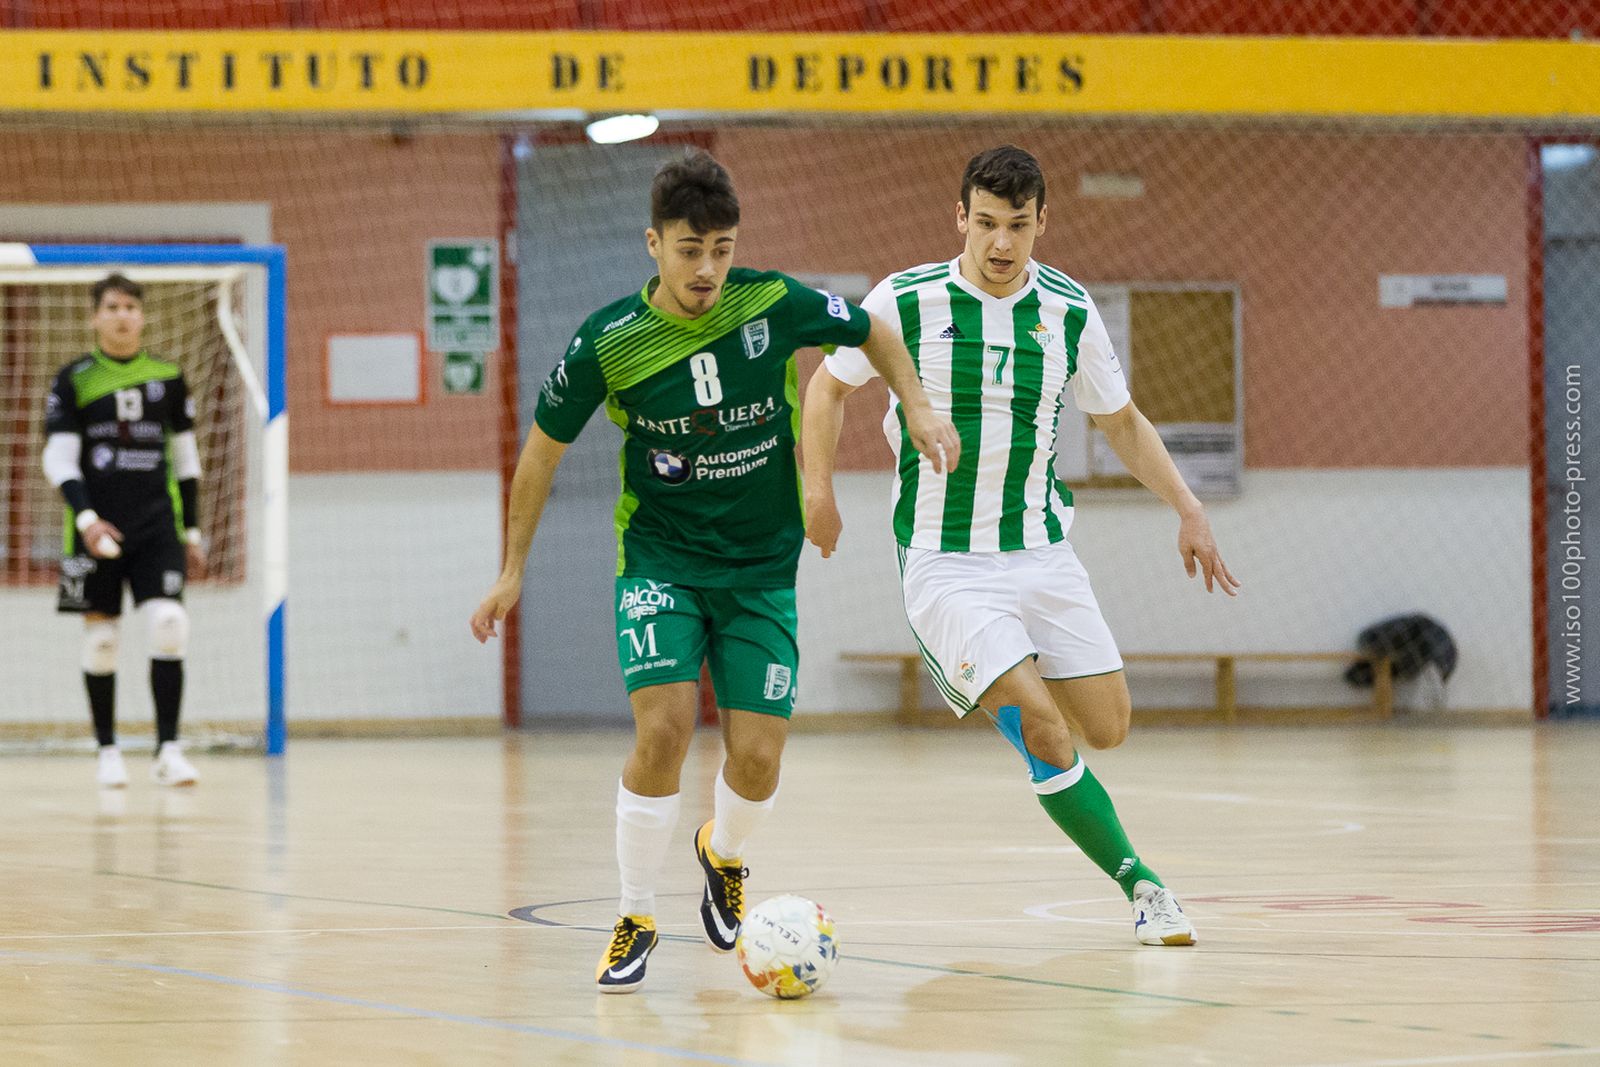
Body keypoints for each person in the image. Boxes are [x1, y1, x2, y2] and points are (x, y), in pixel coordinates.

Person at [471, 149, 959, 992]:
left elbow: (874, 328)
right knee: (662, 729)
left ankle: (721, 852)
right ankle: (633, 913)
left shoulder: (771, 301)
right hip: (660, 559)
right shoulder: (607, 342)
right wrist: (512, 569)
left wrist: (913, 402)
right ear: (651, 244)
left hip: (762, 564)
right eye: (690, 249)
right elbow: (539, 457)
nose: (707, 269)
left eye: (721, 249)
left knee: (759, 759)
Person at [803, 145, 1240, 946]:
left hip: (1043, 552)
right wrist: (818, 491)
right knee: (1049, 729)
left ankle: (1005, 693)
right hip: (946, 563)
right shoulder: (903, 301)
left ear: (1043, 222)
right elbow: (827, 387)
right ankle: (1143, 884)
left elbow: (1121, 422)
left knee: (1107, 727)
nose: (1001, 244)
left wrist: (1188, 507)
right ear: (959, 218)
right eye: (986, 224)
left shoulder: (1070, 310)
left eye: (1018, 226)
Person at [42, 273, 206, 789]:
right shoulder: (73, 379)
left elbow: (186, 460)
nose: (122, 315)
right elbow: (59, 459)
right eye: (111, 306)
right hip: (90, 533)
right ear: (95, 316)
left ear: (142, 315)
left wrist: (194, 531)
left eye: (131, 307)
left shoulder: (169, 376)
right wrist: (88, 521)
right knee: (102, 643)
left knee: (170, 626)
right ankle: (108, 751)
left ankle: (168, 750)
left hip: (158, 527)